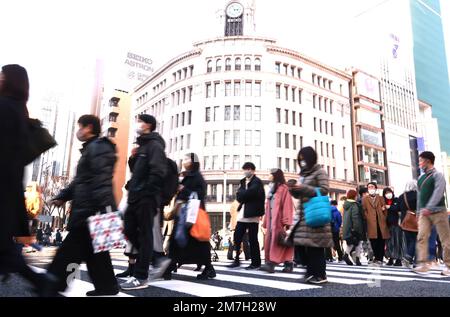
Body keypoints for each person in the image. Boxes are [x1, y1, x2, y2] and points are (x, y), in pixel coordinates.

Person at [45, 115, 118, 296]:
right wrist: (63, 196)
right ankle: (107, 286)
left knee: (71, 250)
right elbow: (80, 181)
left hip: (91, 208)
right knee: (95, 252)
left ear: (89, 127)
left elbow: (101, 181)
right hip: (91, 207)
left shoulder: (99, 148)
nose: (78, 131)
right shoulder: (91, 149)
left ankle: (53, 282)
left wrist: (100, 209)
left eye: (80, 126)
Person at [0, 64, 57, 296]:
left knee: (6, 252)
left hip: (4, 185)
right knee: (6, 253)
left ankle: (42, 282)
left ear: (9, 81)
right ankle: (42, 282)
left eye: (2, 76)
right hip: (8, 187)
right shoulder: (19, 110)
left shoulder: (5, 108)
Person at [120, 114, 168, 290]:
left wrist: (146, 192)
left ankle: (140, 276)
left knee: (145, 234)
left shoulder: (154, 146)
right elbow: (137, 172)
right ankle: (156, 259)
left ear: (148, 125)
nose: (137, 124)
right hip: (135, 197)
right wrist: (133, 158)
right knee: (128, 229)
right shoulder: (142, 147)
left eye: (140, 121)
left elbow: (157, 172)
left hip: (146, 197)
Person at [164, 153, 216, 280]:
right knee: (178, 241)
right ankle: (170, 267)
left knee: (196, 242)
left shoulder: (197, 176)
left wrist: (183, 189)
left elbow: (199, 193)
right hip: (183, 214)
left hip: (192, 215)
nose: (184, 161)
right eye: (184, 158)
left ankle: (208, 267)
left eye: (187, 159)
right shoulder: (187, 176)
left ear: (194, 162)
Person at [288, 147, 333, 284]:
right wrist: (293, 189)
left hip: (315, 213)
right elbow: (301, 193)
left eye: (304, 159)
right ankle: (311, 272)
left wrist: (303, 188)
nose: (302, 162)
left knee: (315, 247)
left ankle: (320, 275)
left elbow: (324, 190)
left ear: (310, 158)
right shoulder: (303, 175)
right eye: (299, 159)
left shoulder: (320, 172)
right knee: (303, 245)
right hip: (304, 215)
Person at [413, 151, 450, 276]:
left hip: (439, 211)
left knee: (445, 239)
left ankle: (449, 266)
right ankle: (423, 264)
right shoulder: (420, 178)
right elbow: (419, 196)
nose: (419, 164)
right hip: (424, 213)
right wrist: (418, 212)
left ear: (428, 161)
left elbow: (439, 192)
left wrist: (429, 207)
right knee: (421, 237)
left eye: (421, 161)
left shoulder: (438, 175)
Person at [228, 162, 265, 270]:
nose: (246, 171)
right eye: (244, 169)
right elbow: (239, 196)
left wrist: (245, 193)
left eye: (248, 169)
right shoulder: (243, 181)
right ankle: (237, 260)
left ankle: (256, 262)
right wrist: (245, 194)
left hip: (253, 215)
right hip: (243, 214)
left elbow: (252, 193)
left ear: (253, 170)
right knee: (237, 237)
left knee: (253, 240)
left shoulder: (257, 182)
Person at [260, 168, 295, 273]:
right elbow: (267, 207)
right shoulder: (271, 189)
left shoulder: (284, 188)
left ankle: (271, 263)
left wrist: (286, 221)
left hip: (279, 221)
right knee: (277, 242)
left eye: (270, 174)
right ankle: (288, 263)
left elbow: (287, 205)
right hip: (271, 222)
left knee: (279, 241)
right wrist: (265, 222)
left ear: (275, 175)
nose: (268, 176)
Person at [362, 182, 390, 266]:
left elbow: (384, 208)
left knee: (381, 241)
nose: (371, 188)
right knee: (373, 241)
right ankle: (376, 257)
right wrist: (367, 217)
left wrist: (384, 215)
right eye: (369, 187)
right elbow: (364, 210)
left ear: (375, 188)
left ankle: (379, 259)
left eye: (372, 187)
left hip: (381, 222)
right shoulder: (365, 199)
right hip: (371, 223)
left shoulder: (380, 198)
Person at [394, 180, 418, 268]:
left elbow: (398, 208)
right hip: (418, 221)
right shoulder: (418, 195)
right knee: (417, 241)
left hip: (406, 221)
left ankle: (409, 258)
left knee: (409, 240)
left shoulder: (402, 196)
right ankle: (411, 258)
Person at [342, 190, 364, 266]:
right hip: (354, 228)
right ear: (354, 196)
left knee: (351, 243)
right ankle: (357, 259)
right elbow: (355, 217)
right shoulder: (354, 205)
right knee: (358, 242)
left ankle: (347, 255)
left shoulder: (346, 205)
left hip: (347, 227)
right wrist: (357, 228)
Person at [384, 187, 404, 266]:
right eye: (386, 193)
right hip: (387, 225)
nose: (388, 194)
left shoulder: (396, 200)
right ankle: (391, 258)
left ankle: (399, 259)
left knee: (398, 242)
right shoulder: (383, 201)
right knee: (389, 243)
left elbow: (399, 208)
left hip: (397, 224)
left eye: (389, 192)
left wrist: (390, 207)